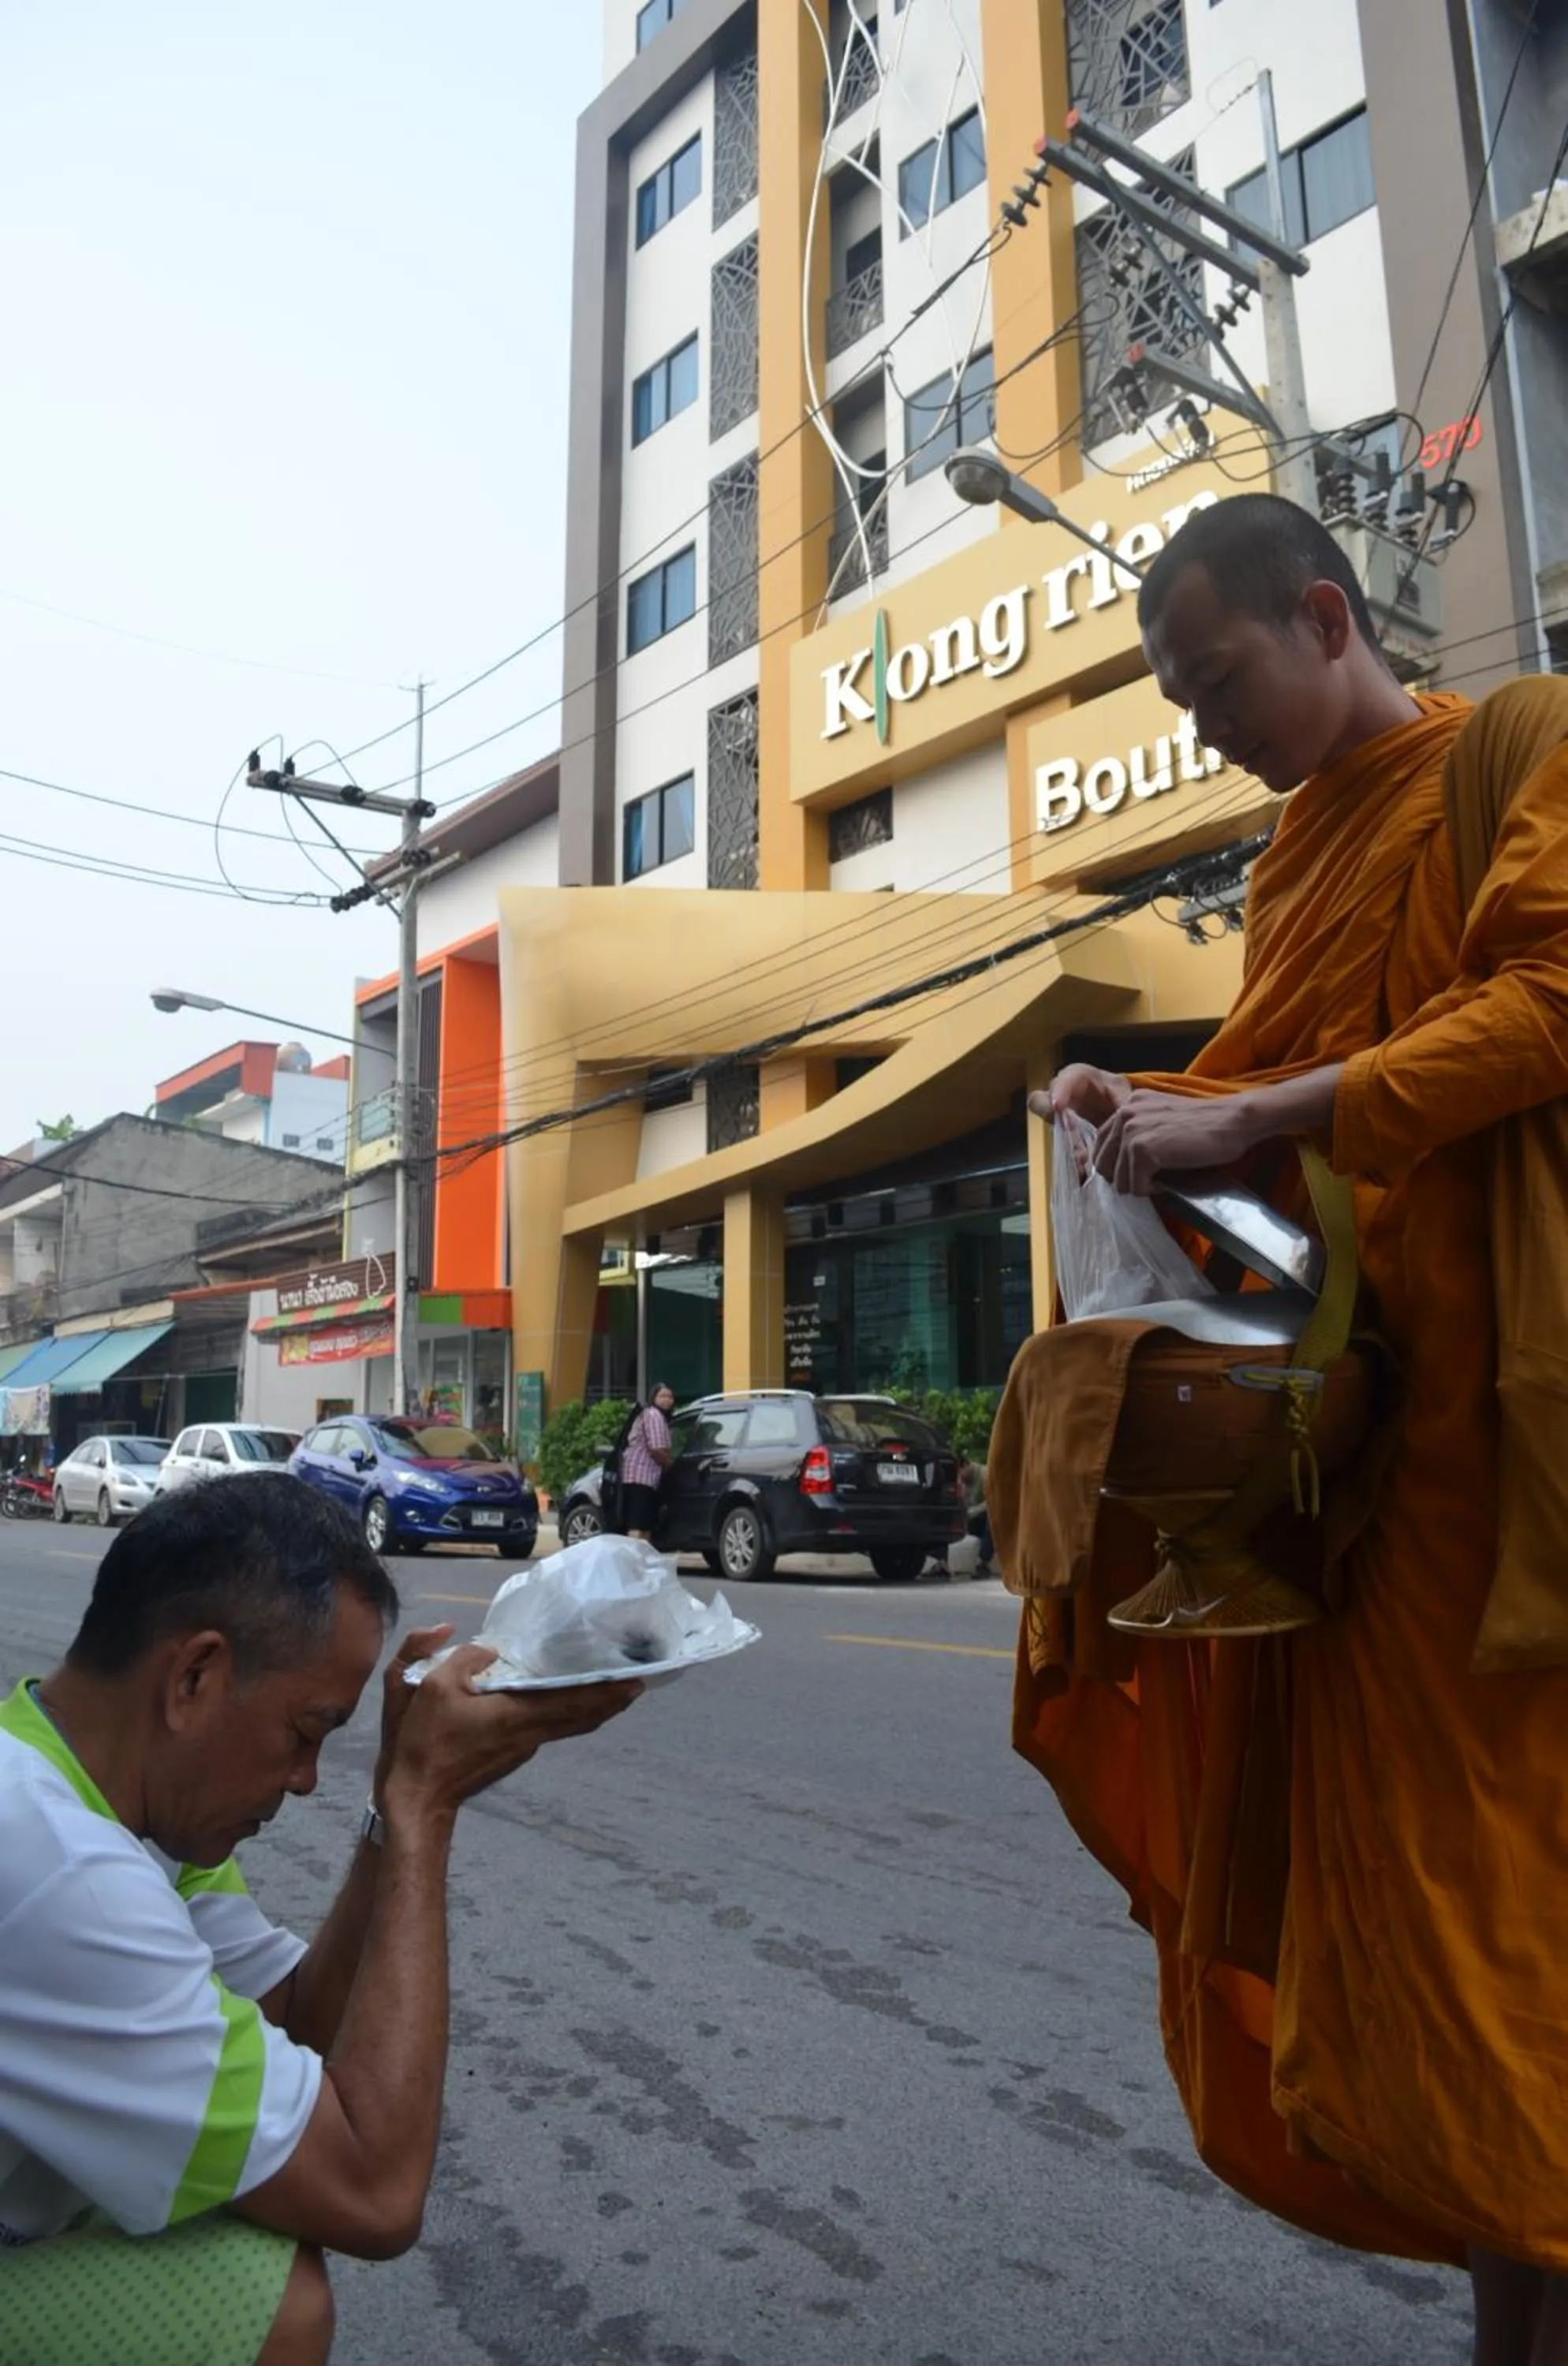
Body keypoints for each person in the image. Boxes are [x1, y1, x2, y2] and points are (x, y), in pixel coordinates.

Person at [996, 492, 1568, 2365]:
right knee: (1441, 1954)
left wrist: (1242, 1117)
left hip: (1529, 1454)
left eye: (1217, 675)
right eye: (1176, 694)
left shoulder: (1522, 748)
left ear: (1327, 614)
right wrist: (1146, 1108)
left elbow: (1547, 1005)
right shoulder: (1289, 865)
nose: (1202, 722)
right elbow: (1286, 1183)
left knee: (1522, 1933)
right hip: (1386, 1479)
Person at [0, 1472, 642, 2365]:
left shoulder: (82, 1786)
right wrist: (425, 1810)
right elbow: (373, 2195)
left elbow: (297, 2019)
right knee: (263, 2297)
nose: (304, 1781)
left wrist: (387, 1809)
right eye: (305, 1732)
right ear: (194, 1676)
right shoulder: (60, 1869)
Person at [620, 1382, 676, 1541]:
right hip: (641, 1476)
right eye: (662, 1396)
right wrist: (670, 1466)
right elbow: (657, 1449)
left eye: (670, 1397)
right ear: (653, 1398)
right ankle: (635, 1560)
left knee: (644, 1525)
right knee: (638, 1525)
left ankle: (642, 1561)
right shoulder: (653, 1415)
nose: (667, 1400)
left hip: (644, 1477)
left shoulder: (658, 1417)